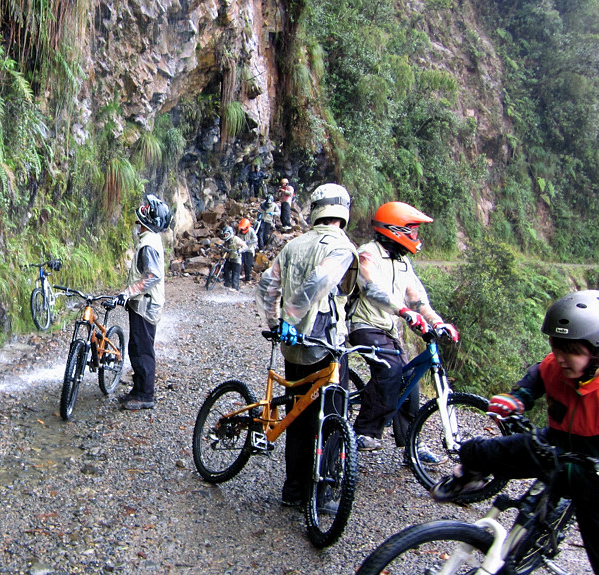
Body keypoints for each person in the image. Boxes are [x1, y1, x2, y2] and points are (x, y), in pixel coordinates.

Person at [430, 290, 599, 571]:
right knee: (477, 450)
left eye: (573, 353)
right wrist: (518, 398)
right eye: (557, 348)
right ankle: (470, 478)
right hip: (554, 443)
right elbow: (536, 377)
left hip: (591, 468)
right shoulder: (555, 365)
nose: (561, 359)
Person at [256, 183, 358, 506]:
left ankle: (294, 490)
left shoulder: (292, 246)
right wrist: (293, 315)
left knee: (296, 415)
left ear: (316, 210)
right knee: (327, 417)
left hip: (293, 347)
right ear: (342, 213)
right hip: (324, 345)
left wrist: (277, 324)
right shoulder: (341, 248)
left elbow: (266, 286)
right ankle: (321, 493)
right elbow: (320, 283)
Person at [348, 202, 459, 457]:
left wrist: (437, 322)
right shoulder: (368, 254)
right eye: (413, 231)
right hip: (364, 325)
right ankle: (365, 431)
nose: (416, 237)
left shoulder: (402, 263)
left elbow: (418, 300)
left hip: (387, 331)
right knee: (391, 369)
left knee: (410, 379)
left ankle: (411, 444)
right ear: (395, 230)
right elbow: (371, 288)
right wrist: (403, 311)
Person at [115, 194, 170, 411]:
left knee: (142, 350)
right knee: (136, 346)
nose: (137, 224)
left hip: (145, 304)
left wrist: (127, 293)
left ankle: (146, 395)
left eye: (139, 220)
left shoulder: (148, 244)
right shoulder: (150, 240)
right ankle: (138, 390)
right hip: (143, 303)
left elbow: (152, 275)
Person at [220, 225, 246, 290]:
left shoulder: (236, 239)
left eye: (226, 234)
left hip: (236, 259)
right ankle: (227, 284)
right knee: (226, 270)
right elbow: (224, 246)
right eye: (224, 235)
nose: (225, 236)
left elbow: (245, 246)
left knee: (235, 274)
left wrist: (239, 251)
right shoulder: (227, 241)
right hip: (229, 259)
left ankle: (235, 288)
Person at [238, 218, 258, 283]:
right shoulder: (239, 231)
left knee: (248, 265)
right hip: (242, 249)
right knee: (239, 263)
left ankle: (248, 279)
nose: (242, 230)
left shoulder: (251, 231)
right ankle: (238, 276)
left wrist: (247, 242)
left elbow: (255, 239)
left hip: (249, 250)